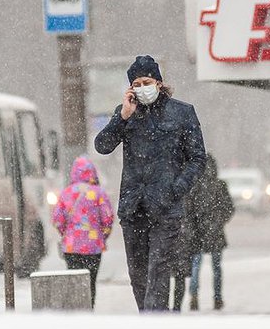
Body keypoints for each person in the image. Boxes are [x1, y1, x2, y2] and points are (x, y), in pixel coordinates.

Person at [94, 55, 206, 312]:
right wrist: (122, 116)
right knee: (138, 277)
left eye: (147, 81)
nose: (142, 87)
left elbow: (197, 158)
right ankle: (152, 319)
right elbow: (102, 146)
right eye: (136, 83)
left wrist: (176, 189)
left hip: (166, 209)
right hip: (133, 208)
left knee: (158, 273)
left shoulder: (182, 112)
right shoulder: (125, 114)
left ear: (158, 82)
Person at [51, 155, 114, 309]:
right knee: (90, 281)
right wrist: (102, 236)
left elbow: (58, 219)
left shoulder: (66, 193)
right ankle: (89, 308)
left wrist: (66, 234)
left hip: (71, 247)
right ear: (92, 172)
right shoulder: (98, 193)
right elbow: (108, 218)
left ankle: (76, 312)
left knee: (75, 281)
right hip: (93, 247)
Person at [186, 154, 234, 311]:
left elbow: (188, 210)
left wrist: (193, 225)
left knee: (195, 266)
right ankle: (217, 298)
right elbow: (229, 208)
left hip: (198, 232)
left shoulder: (194, 184)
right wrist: (218, 221)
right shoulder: (220, 185)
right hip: (215, 232)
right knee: (217, 268)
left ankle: (194, 296)